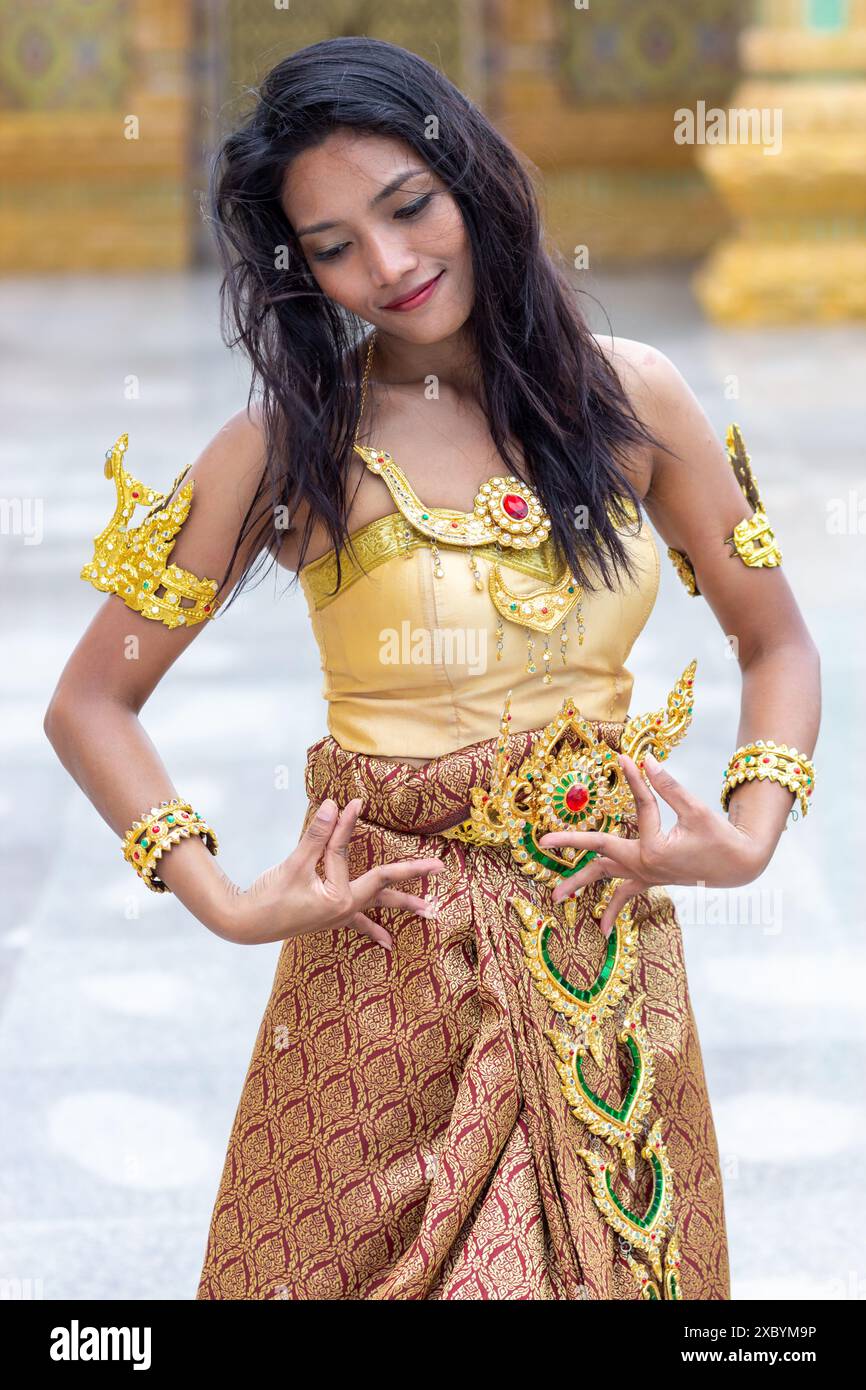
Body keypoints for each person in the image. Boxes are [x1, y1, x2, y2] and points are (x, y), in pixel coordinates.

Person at [45, 36, 820, 1301]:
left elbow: (773, 636)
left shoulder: (631, 402)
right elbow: (91, 699)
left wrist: (747, 833)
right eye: (336, 244)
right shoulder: (289, 445)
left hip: (601, 967)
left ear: (471, 179)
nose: (390, 266)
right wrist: (228, 899)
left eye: (408, 208)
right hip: (381, 961)